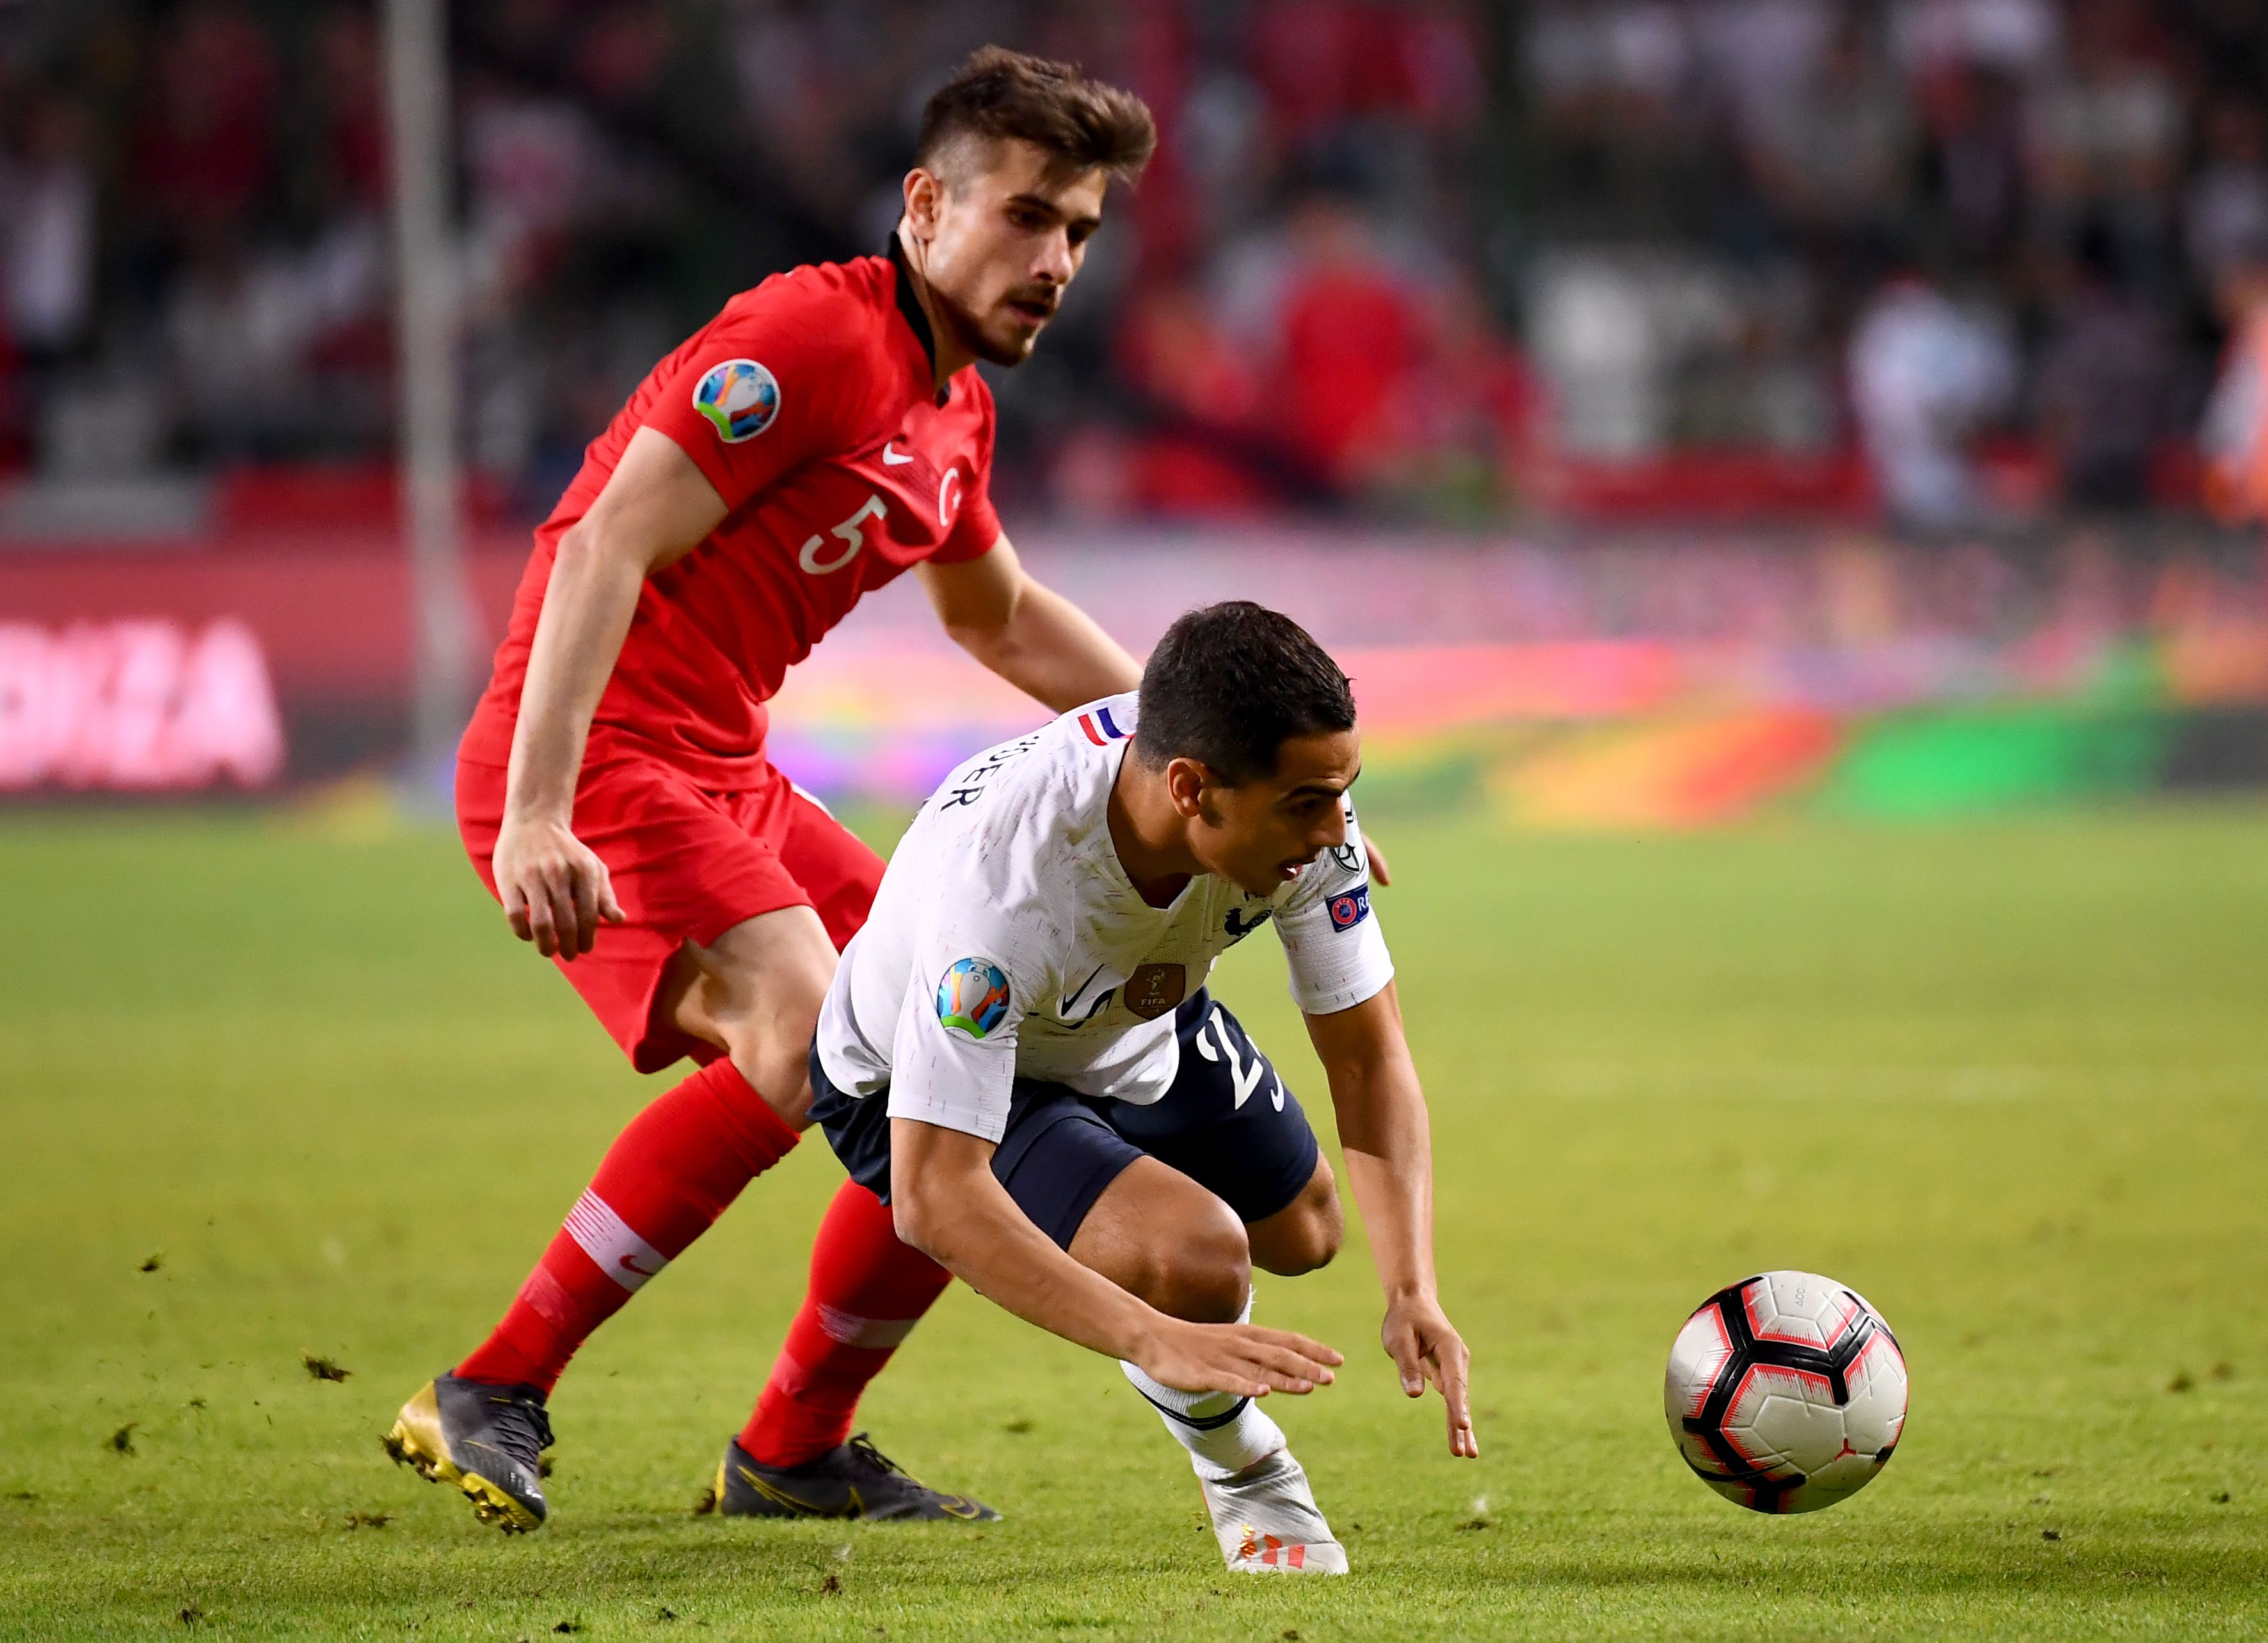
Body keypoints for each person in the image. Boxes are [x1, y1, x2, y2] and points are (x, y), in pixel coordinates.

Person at [384, 49, 1162, 1532]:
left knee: (964, 1028)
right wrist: (540, 810)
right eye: (1023, 217)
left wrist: (1193, 742)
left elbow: (995, 618)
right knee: (807, 1030)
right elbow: (607, 541)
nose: (1054, 260)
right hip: (596, 753)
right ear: (925, 205)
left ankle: (792, 1448)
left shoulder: (954, 412)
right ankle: (496, 1382)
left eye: (1079, 230)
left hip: (722, 768)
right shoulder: (813, 333)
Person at [800, 601, 1474, 1574]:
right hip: (931, 1068)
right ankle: (1246, 1475)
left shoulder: (1295, 796)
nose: (1336, 831)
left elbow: (1368, 1056)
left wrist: (1413, 1287)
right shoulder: (1001, 897)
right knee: (1198, 1262)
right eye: (1306, 805)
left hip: (1134, 1010)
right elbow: (936, 1194)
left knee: (1309, 1233)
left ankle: (1112, 1203)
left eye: (1343, 795)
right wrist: (1153, 1339)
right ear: (1195, 790)